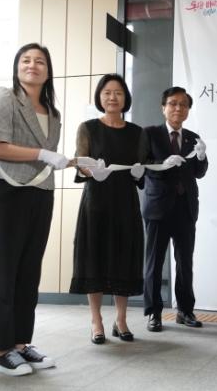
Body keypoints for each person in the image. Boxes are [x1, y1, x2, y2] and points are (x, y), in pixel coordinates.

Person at [0, 43, 71, 376]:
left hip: (41, 193)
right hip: (7, 191)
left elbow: (49, 157)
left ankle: (21, 344)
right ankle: (3, 350)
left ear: (48, 71)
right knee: (6, 271)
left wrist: (70, 161)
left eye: (40, 61)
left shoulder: (53, 112)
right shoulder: (5, 97)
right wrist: (42, 154)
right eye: (26, 60)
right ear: (17, 66)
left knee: (30, 271)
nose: (32, 65)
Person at [70, 74, 148, 344]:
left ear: (126, 98)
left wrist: (139, 172)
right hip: (96, 202)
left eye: (118, 92)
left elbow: (142, 168)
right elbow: (80, 162)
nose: (112, 97)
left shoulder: (137, 132)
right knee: (94, 258)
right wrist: (91, 171)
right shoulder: (88, 128)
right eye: (107, 92)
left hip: (125, 202)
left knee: (123, 259)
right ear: (99, 97)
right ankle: (96, 321)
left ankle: (121, 320)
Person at [143, 87, 208, 332]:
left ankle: (185, 310)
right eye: (173, 103)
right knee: (154, 262)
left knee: (184, 262)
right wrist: (163, 164)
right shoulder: (150, 134)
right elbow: (141, 164)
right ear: (163, 108)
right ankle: (154, 313)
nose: (178, 108)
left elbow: (199, 173)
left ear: (188, 110)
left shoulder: (192, 137)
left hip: (185, 208)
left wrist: (201, 157)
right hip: (158, 207)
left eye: (183, 104)